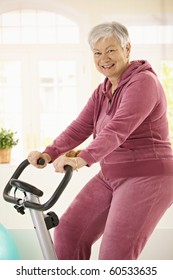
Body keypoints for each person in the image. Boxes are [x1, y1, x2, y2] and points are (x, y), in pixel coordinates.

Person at [28, 21, 173, 260]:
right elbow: (80, 127)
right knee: (69, 232)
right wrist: (49, 153)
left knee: (113, 256)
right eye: (97, 53)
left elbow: (118, 129)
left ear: (127, 49)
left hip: (148, 175)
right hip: (112, 173)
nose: (103, 58)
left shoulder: (144, 82)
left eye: (111, 50)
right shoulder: (103, 89)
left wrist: (82, 158)